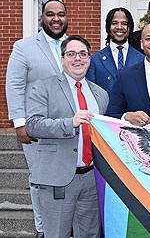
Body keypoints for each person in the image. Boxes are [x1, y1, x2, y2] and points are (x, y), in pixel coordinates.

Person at [25, 35, 108, 237]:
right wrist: (69, 122)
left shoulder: (100, 94)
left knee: (90, 234)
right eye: (71, 54)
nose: (77, 59)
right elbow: (32, 125)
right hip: (57, 179)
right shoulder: (42, 87)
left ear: (89, 58)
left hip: (91, 178)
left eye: (82, 54)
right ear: (62, 59)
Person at [5, 0, 68, 238]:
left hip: (69, 129)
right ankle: (43, 229)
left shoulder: (73, 45)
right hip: (37, 129)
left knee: (67, 180)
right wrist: (20, 124)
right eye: (50, 14)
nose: (56, 19)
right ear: (42, 17)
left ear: (66, 17)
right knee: (40, 181)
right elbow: (15, 86)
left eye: (61, 14)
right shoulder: (24, 47)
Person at [86, 7, 144, 94]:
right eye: (114, 23)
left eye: (124, 23)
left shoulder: (141, 59)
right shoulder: (95, 60)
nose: (119, 27)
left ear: (130, 27)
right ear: (108, 27)